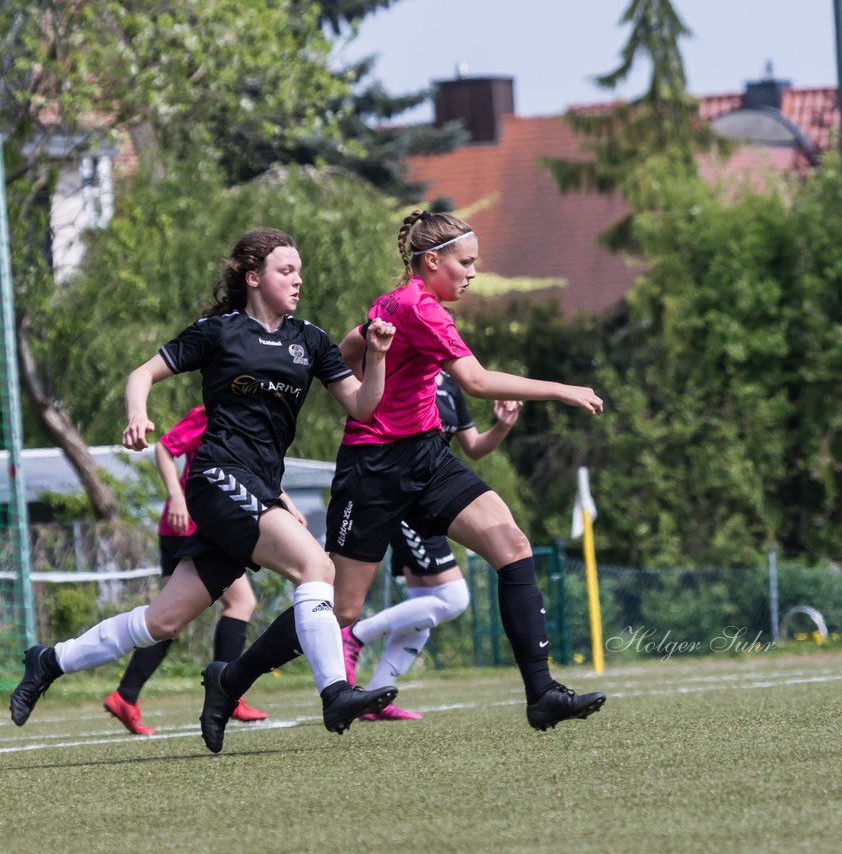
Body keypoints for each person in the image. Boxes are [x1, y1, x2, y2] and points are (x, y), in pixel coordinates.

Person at [211, 211, 607, 732]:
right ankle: (231, 679)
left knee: (512, 546)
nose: (471, 273)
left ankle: (542, 694)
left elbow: (346, 349)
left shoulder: (398, 304)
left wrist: (350, 375)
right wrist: (562, 389)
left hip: (426, 455)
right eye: (465, 263)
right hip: (373, 469)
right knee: (342, 610)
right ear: (432, 260)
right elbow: (477, 382)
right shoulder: (421, 309)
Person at [9, 228, 400, 752]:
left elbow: (363, 408)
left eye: (300, 270)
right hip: (217, 477)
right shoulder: (218, 332)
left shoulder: (311, 340)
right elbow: (141, 374)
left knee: (162, 621)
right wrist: (137, 415)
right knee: (318, 568)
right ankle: (334, 692)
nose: (298, 279)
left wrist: (376, 356)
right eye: (287, 270)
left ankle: (50, 660)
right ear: (253, 277)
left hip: (260, 486)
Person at [344, 372, 522, 722]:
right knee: (453, 599)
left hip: (432, 500)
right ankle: (356, 634)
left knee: (424, 608)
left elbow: (473, 447)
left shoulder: (451, 383)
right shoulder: (401, 370)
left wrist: (501, 425)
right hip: (404, 498)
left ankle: (376, 698)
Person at [103, 404, 269, 735]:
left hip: (199, 525)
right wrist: (176, 497)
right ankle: (229, 695)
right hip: (191, 525)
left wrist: (287, 507)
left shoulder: (256, 414)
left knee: (168, 619)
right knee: (239, 603)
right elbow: (165, 448)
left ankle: (126, 695)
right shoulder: (215, 408)